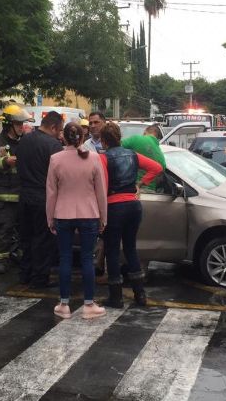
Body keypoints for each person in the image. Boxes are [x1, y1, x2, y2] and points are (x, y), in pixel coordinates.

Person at [46, 122, 108, 319]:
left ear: (63, 137)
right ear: (82, 138)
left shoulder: (55, 159)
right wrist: (103, 217)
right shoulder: (94, 158)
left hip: (62, 214)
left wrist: (50, 218)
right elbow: (101, 192)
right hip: (89, 213)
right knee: (87, 259)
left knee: (65, 258)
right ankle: (89, 304)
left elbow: (51, 192)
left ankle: (64, 304)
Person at [98, 122, 163, 308]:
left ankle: (115, 297)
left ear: (103, 141)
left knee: (111, 251)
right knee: (130, 248)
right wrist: (140, 184)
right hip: (133, 205)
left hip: (114, 206)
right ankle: (140, 295)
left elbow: (101, 185)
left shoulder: (103, 159)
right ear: (119, 137)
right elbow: (157, 168)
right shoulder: (133, 155)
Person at [15, 111, 63, 288]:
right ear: (52, 127)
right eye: (59, 131)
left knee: (26, 237)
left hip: (24, 195)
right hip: (43, 197)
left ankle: (24, 274)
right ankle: (40, 278)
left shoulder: (25, 140)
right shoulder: (53, 145)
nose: (60, 134)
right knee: (42, 239)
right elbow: (59, 175)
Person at [0, 104, 32, 274]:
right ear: (9, 124)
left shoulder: (25, 141)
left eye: (22, 124)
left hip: (22, 194)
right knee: (4, 229)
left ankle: (20, 256)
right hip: (4, 196)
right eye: (18, 124)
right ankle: (0, 260)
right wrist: (4, 162)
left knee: (24, 230)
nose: (21, 127)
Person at [121, 124, 166, 192]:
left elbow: (115, 147)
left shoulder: (137, 139)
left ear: (145, 132)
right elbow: (160, 177)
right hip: (151, 192)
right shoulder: (161, 156)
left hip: (133, 189)